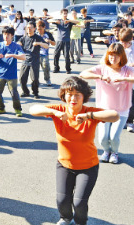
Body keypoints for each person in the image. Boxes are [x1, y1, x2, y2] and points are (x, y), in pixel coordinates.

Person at [29, 76, 119, 225]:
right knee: (62, 200)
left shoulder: (90, 112)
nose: (73, 98)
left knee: (79, 203)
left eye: (77, 95)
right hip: (64, 165)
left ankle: (80, 221)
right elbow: (33, 109)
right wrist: (55, 113)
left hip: (88, 167)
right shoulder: (59, 110)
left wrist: (88, 116)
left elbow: (114, 116)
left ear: (84, 97)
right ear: (64, 96)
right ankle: (65, 218)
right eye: (69, 94)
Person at [80, 43, 134, 164]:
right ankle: (106, 151)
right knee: (103, 138)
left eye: (116, 56)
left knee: (114, 136)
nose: (112, 58)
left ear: (122, 57)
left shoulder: (127, 70)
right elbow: (83, 74)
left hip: (122, 109)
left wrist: (124, 79)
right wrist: (100, 77)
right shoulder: (102, 68)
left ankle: (114, 152)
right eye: (110, 55)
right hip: (103, 109)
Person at [0, 26, 26, 117]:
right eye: (4, 34)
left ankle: (17, 109)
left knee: (14, 93)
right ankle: (1, 108)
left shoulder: (16, 46)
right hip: (0, 74)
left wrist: (13, 55)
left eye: (8, 34)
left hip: (11, 75)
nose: (6, 36)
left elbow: (23, 57)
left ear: (12, 36)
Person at [18, 21, 48, 99]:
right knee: (21, 79)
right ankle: (25, 92)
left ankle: (35, 92)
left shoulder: (37, 37)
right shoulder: (24, 38)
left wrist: (38, 43)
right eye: (27, 28)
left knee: (35, 79)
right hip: (25, 60)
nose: (29, 29)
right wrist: (19, 44)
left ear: (34, 28)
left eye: (31, 28)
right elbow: (18, 43)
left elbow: (47, 46)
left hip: (34, 61)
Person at [48, 9, 79, 74]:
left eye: (66, 13)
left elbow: (77, 22)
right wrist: (56, 21)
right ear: (61, 14)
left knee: (67, 56)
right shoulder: (59, 21)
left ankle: (68, 69)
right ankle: (56, 68)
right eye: (64, 13)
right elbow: (48, 20)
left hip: (67, 41)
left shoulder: (69, 22)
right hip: (59, 40)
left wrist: (69, 20)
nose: (65, 14)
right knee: (56, 55)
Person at [119, 28, 134, 132]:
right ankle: (121, 120)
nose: (123, 44)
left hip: (132, 79)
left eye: (126, 43)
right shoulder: (117, 47)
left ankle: (129, 122)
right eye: (122, 42)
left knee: (132, 102)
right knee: (121, 101)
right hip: (120, 79)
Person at [36, 20, 56, 86]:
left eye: (40, 29)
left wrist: (49, 41)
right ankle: (36, 80)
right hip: (35, 54)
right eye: (38, 29)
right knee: (35, 68)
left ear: (44, 27)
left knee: (46, 67)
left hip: (44, 54)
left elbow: (54, 43)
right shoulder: (35, 33)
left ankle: (47, 79)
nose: (39, 30)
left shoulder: (48, 34)